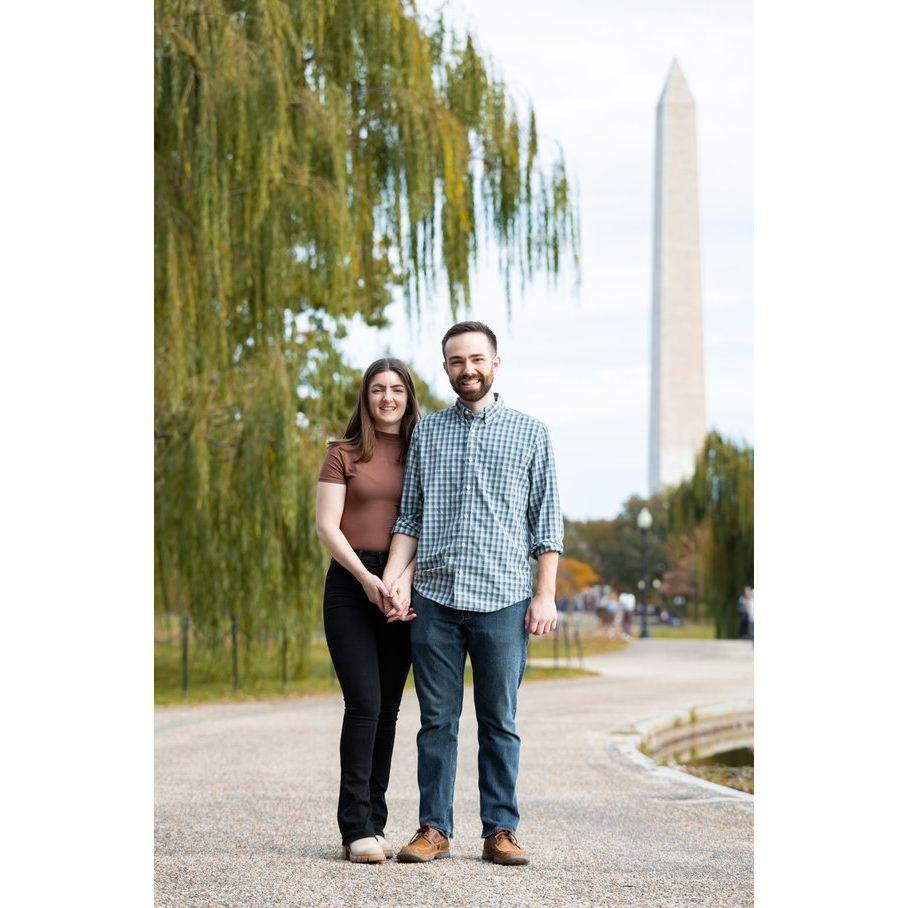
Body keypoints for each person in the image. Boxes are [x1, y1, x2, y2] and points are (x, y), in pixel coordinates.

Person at [381, 321, 563, 867]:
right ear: (445, 368)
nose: (468, 370)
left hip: (504, 598)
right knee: (436, 721)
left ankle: (500, 831)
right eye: (457, 361)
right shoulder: (428, 433)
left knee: (499, 720)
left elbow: (546, 524)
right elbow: (409, 515)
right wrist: (395, 578)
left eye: (477, 359)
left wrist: (546, 594)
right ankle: (433, 828)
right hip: (435, 597)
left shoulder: (532, 433)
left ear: (496, 363)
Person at [315, 358, 421, 863]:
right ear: (366, 396)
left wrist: (401, 581)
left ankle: (376, 821)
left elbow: (431, 519)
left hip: (403, 585)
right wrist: (366, 578)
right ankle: (354, 826)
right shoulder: (342, 452)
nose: (387, 398)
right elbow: (327, 526)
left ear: (408, 395)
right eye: (378, 389)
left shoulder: (424, 449)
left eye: (396, 389)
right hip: (351, 582)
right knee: (363, 703)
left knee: (389, 710)